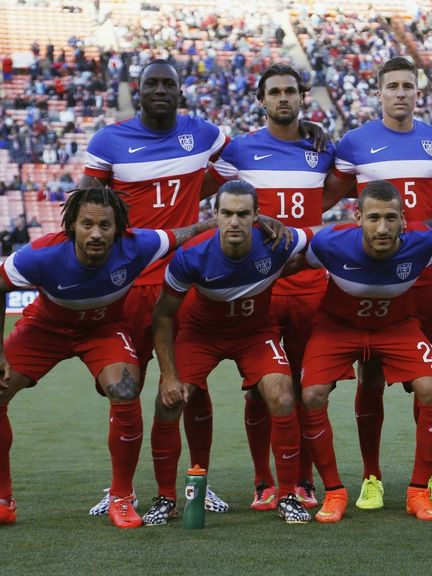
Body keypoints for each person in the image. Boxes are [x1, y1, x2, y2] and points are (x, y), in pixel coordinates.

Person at [0, 187, 212, 528]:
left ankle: (121, 497)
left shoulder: (138, 244)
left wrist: (223, 220)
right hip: (46, 328)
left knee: (126, 391)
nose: (96, 233)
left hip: (103, 329)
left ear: (119, 228)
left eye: (104, 225)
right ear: (71, 225)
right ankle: (3, 498)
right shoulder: (40, 255)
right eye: (86, 224)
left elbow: (181, 234)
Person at [80, 59, 233, 517]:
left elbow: (240, 158)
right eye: (153, 83)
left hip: (184, 283)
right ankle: (119, 489)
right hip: (127, 286)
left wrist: (304, 123)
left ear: (181, 91)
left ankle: (197, 483)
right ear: (138, 89)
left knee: (191, 386)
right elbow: (86, 205)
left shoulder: (203, 134)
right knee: (126, 387)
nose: (161, 89)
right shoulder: (108, 140)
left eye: (169, 83)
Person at [323, 56, 432, 510]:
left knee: (430, 374)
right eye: (392, 86)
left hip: (424, 273)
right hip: (376, 277)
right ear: (378, 92)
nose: (401, 93)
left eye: (408, 86)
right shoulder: (355, 143)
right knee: (370, 373)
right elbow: (326, 196)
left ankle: (431, 476)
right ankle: (371, 477)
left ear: (418, 92)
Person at [297, 181, 432, 523]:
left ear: (405, 220)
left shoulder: (425, 244)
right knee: (312, 394)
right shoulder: (331, 243)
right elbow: (290, 260)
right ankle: (334, 493)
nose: (383, 227)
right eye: (373, 218)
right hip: (338, 327)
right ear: (357, 217)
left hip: (396, 325)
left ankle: (418, 492)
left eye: (391, 218)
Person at [208, 64, 335, 512]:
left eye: (291, 91)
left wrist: (315, 131)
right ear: (261, 100)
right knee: (260, 388)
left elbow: (335, 193)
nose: (283, 98)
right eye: (274, 92)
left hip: (311, 287)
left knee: (305, 388)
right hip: (259, 288)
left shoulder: (323, 150)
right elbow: (204, 191)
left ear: (304, 96)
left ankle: (300, 480)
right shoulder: (239, 151)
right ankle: (263, 481)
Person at [149, 180, 312, 525]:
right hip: (201, 334)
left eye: (242, 214)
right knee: (169, 401)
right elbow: (163, 315)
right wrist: (167, 375)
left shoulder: (277, 243)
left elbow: (322, 241)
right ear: (215, 215)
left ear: (257, 216)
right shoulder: (192, 256)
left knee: (283, 396)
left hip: (255, 333)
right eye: (227, 213)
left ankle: (286, 497)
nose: (234, 222)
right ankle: (165, 498)